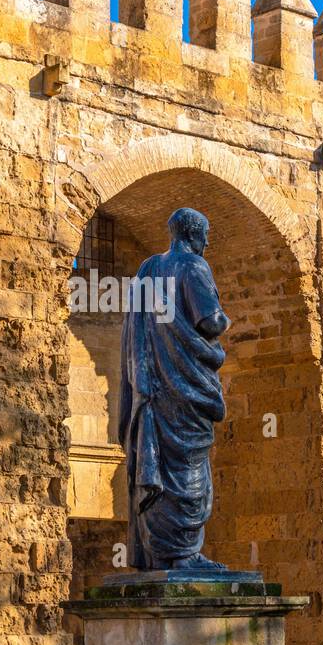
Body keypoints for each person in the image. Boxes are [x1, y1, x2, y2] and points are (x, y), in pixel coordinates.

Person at [119, 207, 231, 571]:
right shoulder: (194, 267)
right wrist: (224, 317)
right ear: (193, 235)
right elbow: (210, 321)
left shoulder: (148, 269)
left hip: (153, 392)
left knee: (159, 469)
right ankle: (182, 554)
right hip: (186, 392)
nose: (209, 242)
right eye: (206, 234)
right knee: (188, 470)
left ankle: (159, 555)